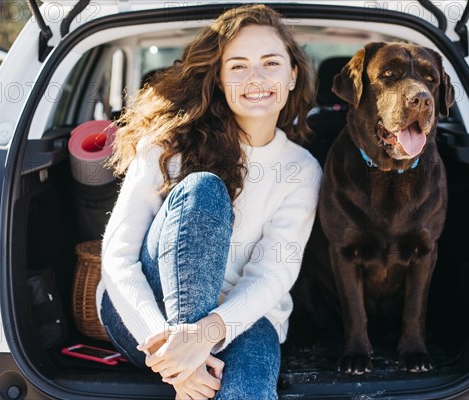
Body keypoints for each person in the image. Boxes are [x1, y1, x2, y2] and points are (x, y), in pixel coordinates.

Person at [97, 4, 322, 399]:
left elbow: (272, 274)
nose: (256, 78)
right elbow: (118, 258)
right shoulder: (168, 144)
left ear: (292, 76)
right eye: (237, 66)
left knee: (248, 388)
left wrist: (203, 337)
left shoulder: (301, 169)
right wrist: (173, 352)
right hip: (143, 312)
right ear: (218, 79)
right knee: (203, 189)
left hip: (244, 318)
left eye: (270, 63)